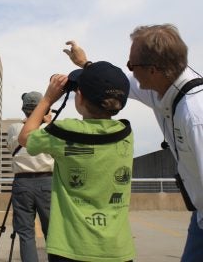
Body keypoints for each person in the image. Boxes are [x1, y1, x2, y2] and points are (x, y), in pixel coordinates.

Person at [64, 24, 203, 262]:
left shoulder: (195, 115)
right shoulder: (161, 86)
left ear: (152, 70)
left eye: (131, 65)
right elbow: (119, 84)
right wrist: (85, 64)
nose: (129, 72)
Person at [18, 62, 135, 261]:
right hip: (117, 249)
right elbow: (108, 82)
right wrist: (88, 66)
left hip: (70, 247)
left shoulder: (64, 131)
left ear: (78, 97)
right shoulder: (125, 133)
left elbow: (25, 137)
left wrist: (47, 99)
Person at [7, 91, 54, 262]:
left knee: (25, 233)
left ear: (24, 109)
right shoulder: (49, 128)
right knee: (52, 232)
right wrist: (47, 122)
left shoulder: (13, 128)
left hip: (22, 182)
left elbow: (10, 148)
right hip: (47, 181)